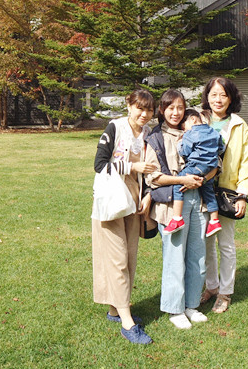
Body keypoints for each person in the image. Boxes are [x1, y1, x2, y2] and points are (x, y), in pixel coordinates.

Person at [144, 89, 214, 329]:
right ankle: (175, 309)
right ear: (162, 110)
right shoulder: (156, 137)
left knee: (198, 256)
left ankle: (191, 305)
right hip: (171, 205)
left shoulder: (197, 130)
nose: (176, 112)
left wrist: (201, 180)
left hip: (199, 201)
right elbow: (153, 177)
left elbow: (215, 162)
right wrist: (183, 180)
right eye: (170, 108)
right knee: (175, 258)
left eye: (180, 108)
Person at [92, 88, 157, 344]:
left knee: (129, 258)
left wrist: (148, 194)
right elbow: (99, 164)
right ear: (129, 106)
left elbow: (152, 169)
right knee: (117, 259)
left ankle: (114, 310)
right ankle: (128, 323)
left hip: (134, 202)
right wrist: (131, 165)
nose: (144, 114)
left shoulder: (149, 134)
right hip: (111, 201)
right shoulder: (115, 128)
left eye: (149, 110)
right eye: (140, 108)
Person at [200, 77, 248, 314]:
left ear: (231, 98)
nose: (218, 99)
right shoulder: (199, 120)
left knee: (226, 245)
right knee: (206, 243)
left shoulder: (239, 125)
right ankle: (211, 286)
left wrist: (242, 195)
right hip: (200, 190)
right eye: (214, 94)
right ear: (207, 97)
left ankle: (225, 292)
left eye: (223, 94)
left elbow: (245, 162)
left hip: (227, 193)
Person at [162, 109, 222, 238]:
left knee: (178, 184)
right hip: (211, 167)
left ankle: (177, 218)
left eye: (184, 127)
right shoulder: (214, 132)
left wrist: (180, 142)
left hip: (196, 166)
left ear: (193, 119)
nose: (184, 130)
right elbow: (221, 148)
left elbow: (185, 151)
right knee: (208, 192)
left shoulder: (191, 133)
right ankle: (214, 221)